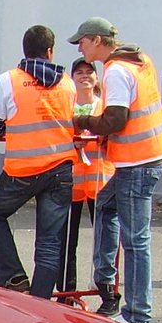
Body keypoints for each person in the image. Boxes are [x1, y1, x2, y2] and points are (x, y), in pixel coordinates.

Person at [71, 17, 162, 323]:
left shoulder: (115, 71)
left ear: (98, 40)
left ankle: (137, 314)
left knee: (136, 239)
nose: (80, 48)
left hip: (136, 160)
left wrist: (83, 121)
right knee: (105, 205)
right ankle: (106, 282)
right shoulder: (137, 61)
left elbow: (115, 119)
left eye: (83, 42)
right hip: (149, 154)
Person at [0, 25, 78, 299]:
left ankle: (14, 277)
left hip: (23, 170)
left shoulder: (7, 81)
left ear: (25, 51)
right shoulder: (67, 83)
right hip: (60, 169)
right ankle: (41, 301)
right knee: (49, 240)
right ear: (50, 51)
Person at [62, 58, 112, 295]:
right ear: (72, 78)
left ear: (96, 77)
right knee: (66, 242)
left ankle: (106, 291)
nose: (84, 76)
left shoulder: (104, 107)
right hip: (70, 182)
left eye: (89, 72)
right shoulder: (65, 107)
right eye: (79, 72)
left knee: (105, 241)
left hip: (99, 180)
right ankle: (66, 294)